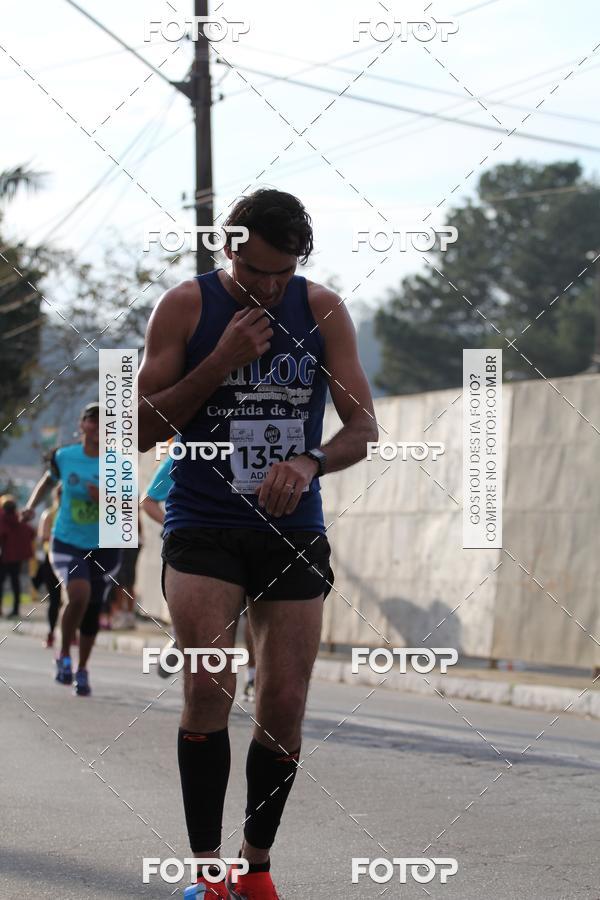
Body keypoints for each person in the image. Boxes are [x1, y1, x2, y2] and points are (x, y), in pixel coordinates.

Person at [137, 188, 377, 899]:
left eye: (285, 272)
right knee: (210, 684)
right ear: (229, 248)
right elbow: (143, 426)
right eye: (258, 274)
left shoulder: (323, 309)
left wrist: (309, 462)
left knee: (286, 699)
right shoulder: (186, 306)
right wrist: (220, 360)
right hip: (204, 518)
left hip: (292, 527)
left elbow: (363, 428)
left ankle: (255, 865)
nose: (272, 288)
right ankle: (208, 873)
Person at [23, 403, 122, 696]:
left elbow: (130, 505)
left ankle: (82, 668)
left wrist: (105, 498)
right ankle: (64, 654)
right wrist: (30, 506)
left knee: (92, 609)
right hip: (67, 540)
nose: (98, 426)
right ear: (83, 425)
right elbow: (47, 482)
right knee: (78, 594)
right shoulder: (65, 457)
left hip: (105, 545)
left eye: (105, 422)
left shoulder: (118, 463)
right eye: (92, 420)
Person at [31, 485, 63, 647]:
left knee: (76, 599)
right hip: (52, 561)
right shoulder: (49, 514)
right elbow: (43, 537)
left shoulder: (77, 514)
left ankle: (71, 633)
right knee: (55, 599)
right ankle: (51, 632)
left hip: (75, 560)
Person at [0, 496, 36, 618]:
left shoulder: (2, 519)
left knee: (1, 583)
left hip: (3, 557)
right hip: (16, 558)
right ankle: (15, 609)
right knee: (16, 583)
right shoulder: (19, 520)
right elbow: (31, 533)